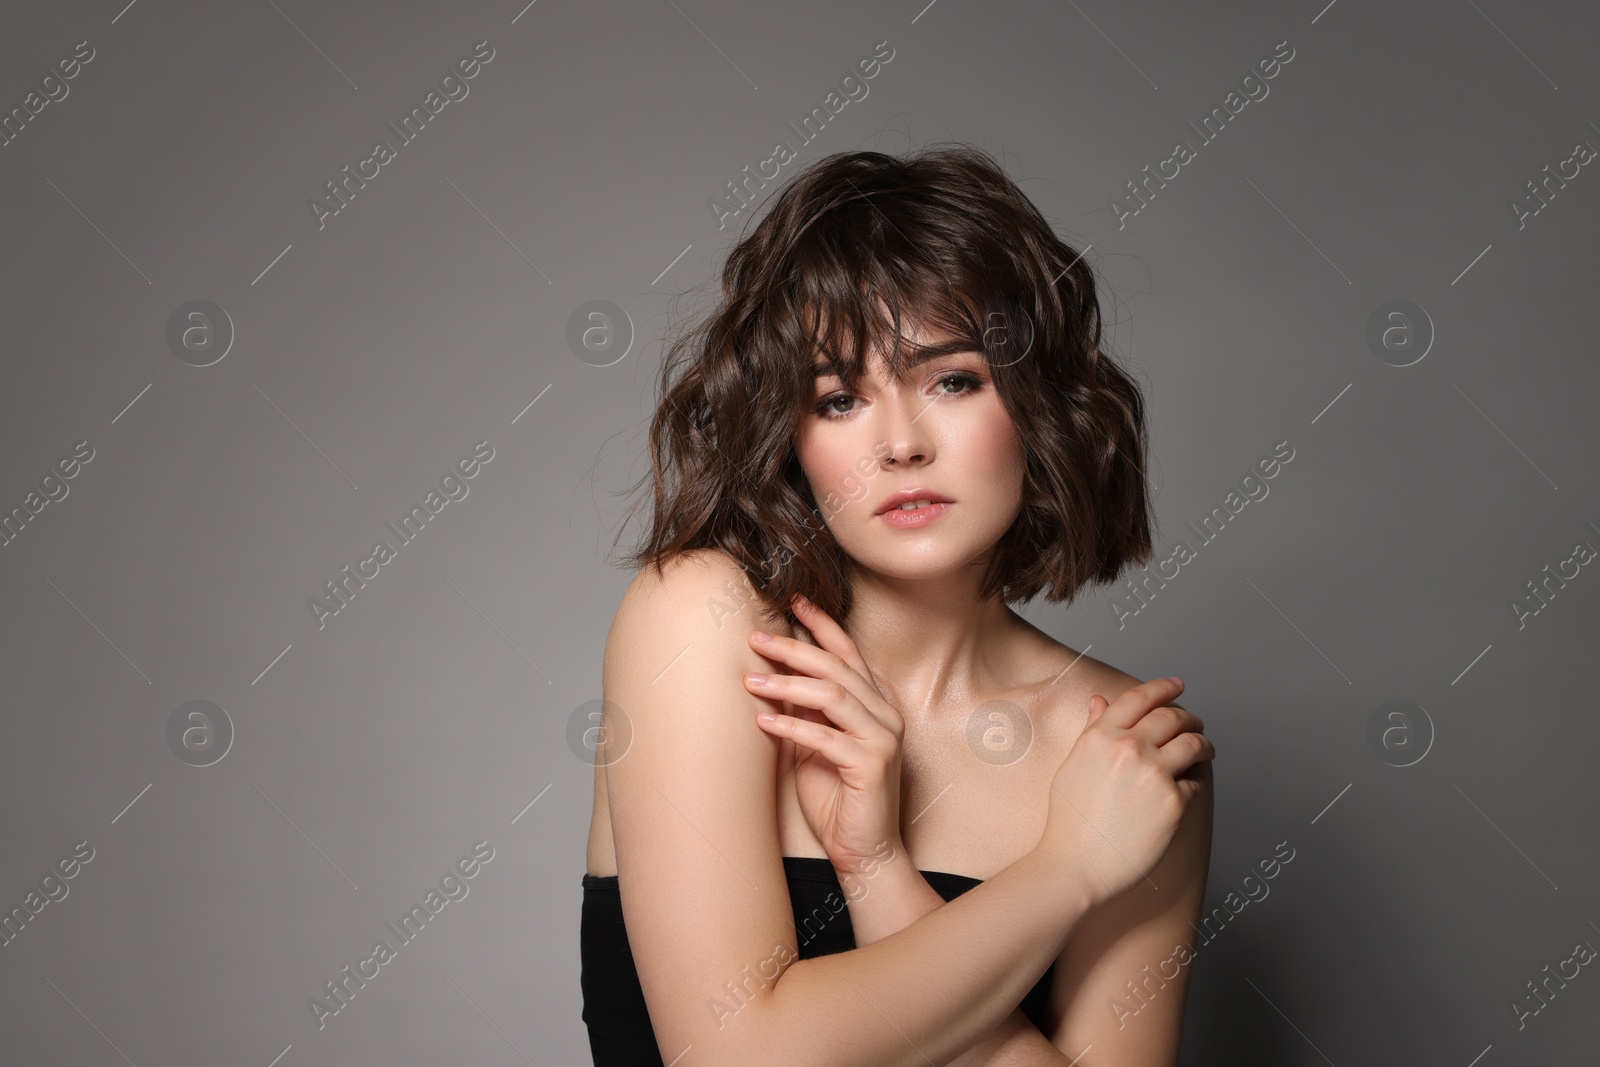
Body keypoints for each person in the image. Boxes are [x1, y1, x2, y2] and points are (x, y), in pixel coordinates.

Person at [582, 142, 1215, 1066]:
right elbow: (735, 1057)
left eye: (952, 379)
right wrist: (1065, 871)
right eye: (838, 400)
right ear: (788, 435)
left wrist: (878, 873)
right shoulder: (706, 626)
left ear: (1040, 402)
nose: (900, 443)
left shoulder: (1129, 755)